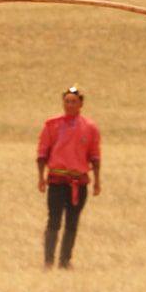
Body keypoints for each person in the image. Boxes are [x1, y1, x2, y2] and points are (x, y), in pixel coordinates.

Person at [37, 86, 102, 270]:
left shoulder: (90, 128)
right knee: (54, 221)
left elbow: (95, 156)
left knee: (72, 222)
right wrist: (41, 178)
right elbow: (42, 152)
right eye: (67, 101)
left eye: (74, 101)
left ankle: (65, 261)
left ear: (81, 104)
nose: (70, 105)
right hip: (57, 180)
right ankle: (48, 261)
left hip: (78, 181)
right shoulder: (52, 125)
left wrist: (97, 181)